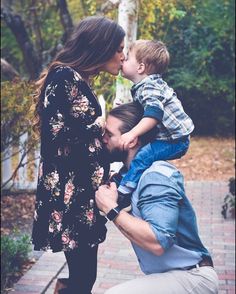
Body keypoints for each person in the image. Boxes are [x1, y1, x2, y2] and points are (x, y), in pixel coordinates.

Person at [31, 16, 125, 294]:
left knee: (84, 276)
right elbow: (52, 136)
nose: (123, 56)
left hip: (83, 193)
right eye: (119, 49)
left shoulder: (78, 78)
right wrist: (95, 128)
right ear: (101, 46)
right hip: (70, 197)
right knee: (84, 277)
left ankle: (63, 289)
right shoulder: (63, 76)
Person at [95, 102, 219, 294]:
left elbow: (158, 241)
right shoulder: (128, 178)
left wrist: (112, 209)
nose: (102, 139)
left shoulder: (156, 176)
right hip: (171, 276)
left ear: (132, 140)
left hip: (193, 277)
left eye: (109, 135)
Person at [116, 40, 194, 211]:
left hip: (176, 141)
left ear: (140, 67)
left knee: (143, 155)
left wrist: (132, 133)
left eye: (127, 58)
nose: (123, 60)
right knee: (137, 155)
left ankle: (124, 193)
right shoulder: (146, 86)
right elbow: (143, 110)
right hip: (169, 137)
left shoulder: (150, 87)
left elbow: (154, 115)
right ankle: (123, 178)